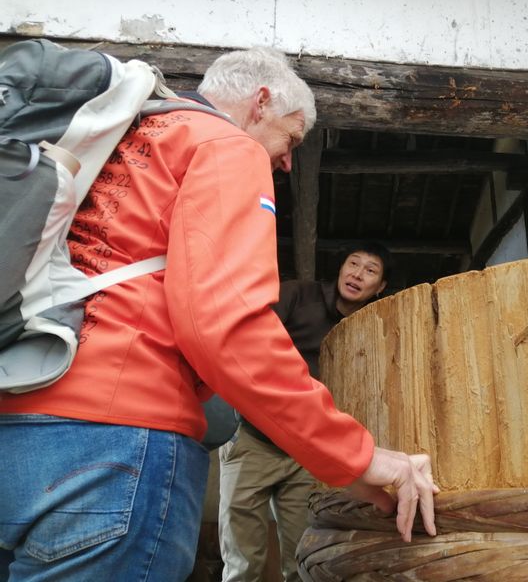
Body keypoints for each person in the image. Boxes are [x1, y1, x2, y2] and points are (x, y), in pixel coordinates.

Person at [0, 46, 438, 582]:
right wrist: (359, 458)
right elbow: (227, 328)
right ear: (260, 103)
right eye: (291, 139)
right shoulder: (225, 145)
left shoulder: (116, 140)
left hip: (18, 425)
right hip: (117, 443)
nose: (286, 161)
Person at [219, 241, 392, 582]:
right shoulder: (298, 295)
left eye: (370, 271)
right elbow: (252, 338)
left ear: (380, 287)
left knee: (304, 558)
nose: (357, 274)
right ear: (341, 267)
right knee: (242, 562)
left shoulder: (370, 329)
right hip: (254, 441)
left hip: (308, 455)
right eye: (353, 263)